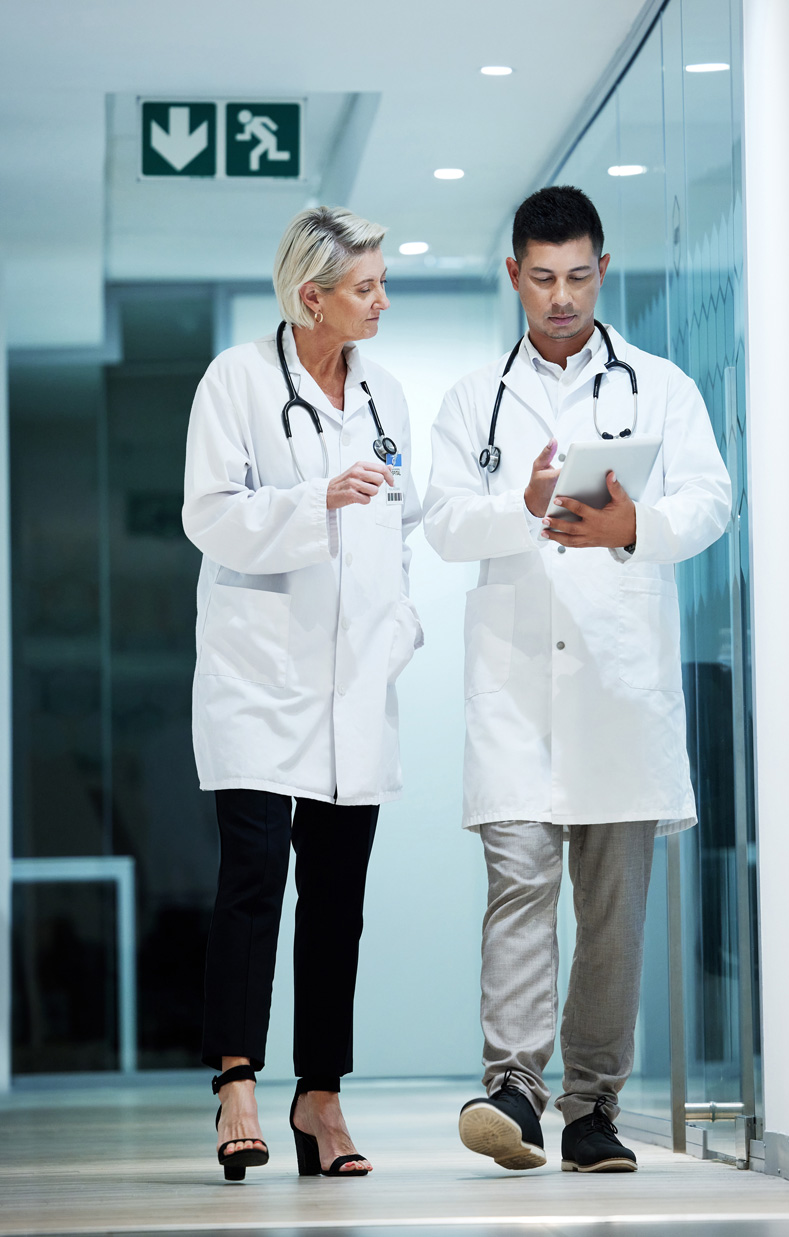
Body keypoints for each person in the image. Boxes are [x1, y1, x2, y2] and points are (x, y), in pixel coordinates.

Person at [423, 186, 730, 1174]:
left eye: (580, 277)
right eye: (544, 278)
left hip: (616, 690)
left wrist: (633, 529)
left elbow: (712, 499)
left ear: (603, 269)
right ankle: (513, 1086)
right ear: (513, 273)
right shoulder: (476, 398)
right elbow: (441, 521)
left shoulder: (661, 386)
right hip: (516, 689)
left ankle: (593, 1109)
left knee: (611, 914)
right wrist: (520, 506)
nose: (562, 298)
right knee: (517, 884)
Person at [182, 206, 422, 1180]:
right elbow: (209, 515)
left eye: (381, 282)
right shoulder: (238, 383)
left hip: (355, 679)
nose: (381, 300)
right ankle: (236, 1083)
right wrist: (307, 500)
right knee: (251, 880)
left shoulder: (385, 395)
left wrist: (400, 626)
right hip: (257, 673)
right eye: (365, 286)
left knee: (337, 899)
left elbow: (401, 527)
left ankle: (320, 1099)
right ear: (309, 295)